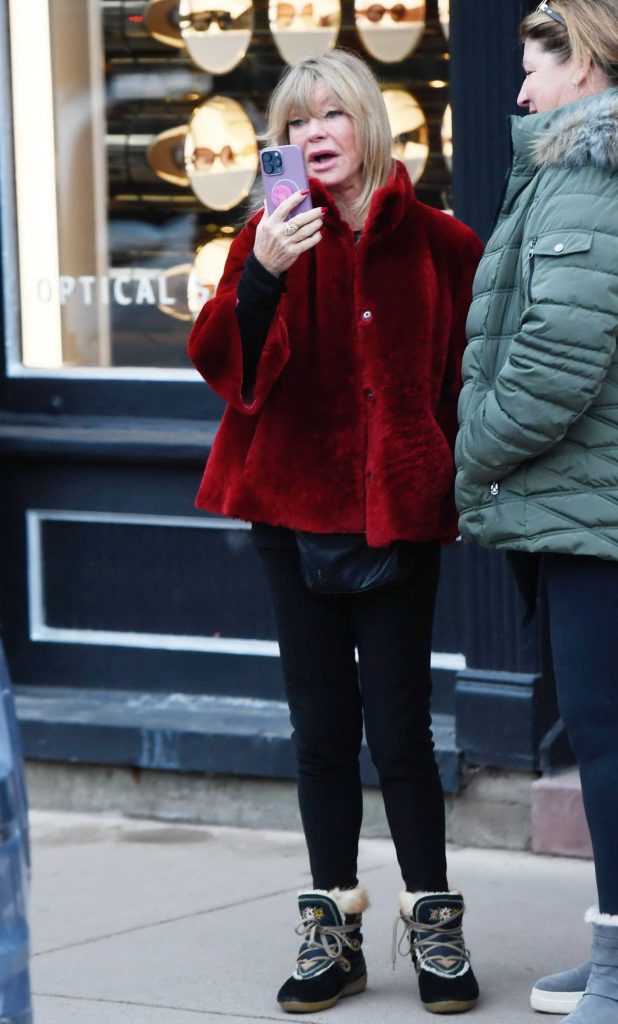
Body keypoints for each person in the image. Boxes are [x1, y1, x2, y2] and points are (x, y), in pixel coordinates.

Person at [188, 49, 482, 1016]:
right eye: (296, 119)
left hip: (395, 514)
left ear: (368, 125)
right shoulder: (266, 236)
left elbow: (461, 389)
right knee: (321, 731)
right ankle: (333, 934)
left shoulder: (440, 244)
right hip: (289, 508)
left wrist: (438, 476)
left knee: (400, 732)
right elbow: (228, 369)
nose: (314, 133)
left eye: (332, 115)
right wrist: (265, 275)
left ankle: (435, 928)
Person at [454, 2, 618, 1021]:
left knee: (605, 740)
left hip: (592, 505)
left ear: (589, 60)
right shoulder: (568, 167)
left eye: (534, 67)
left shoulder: (591, 173)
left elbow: (558, 354)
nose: (519, 91)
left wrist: (471, 453)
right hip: (585, 501)